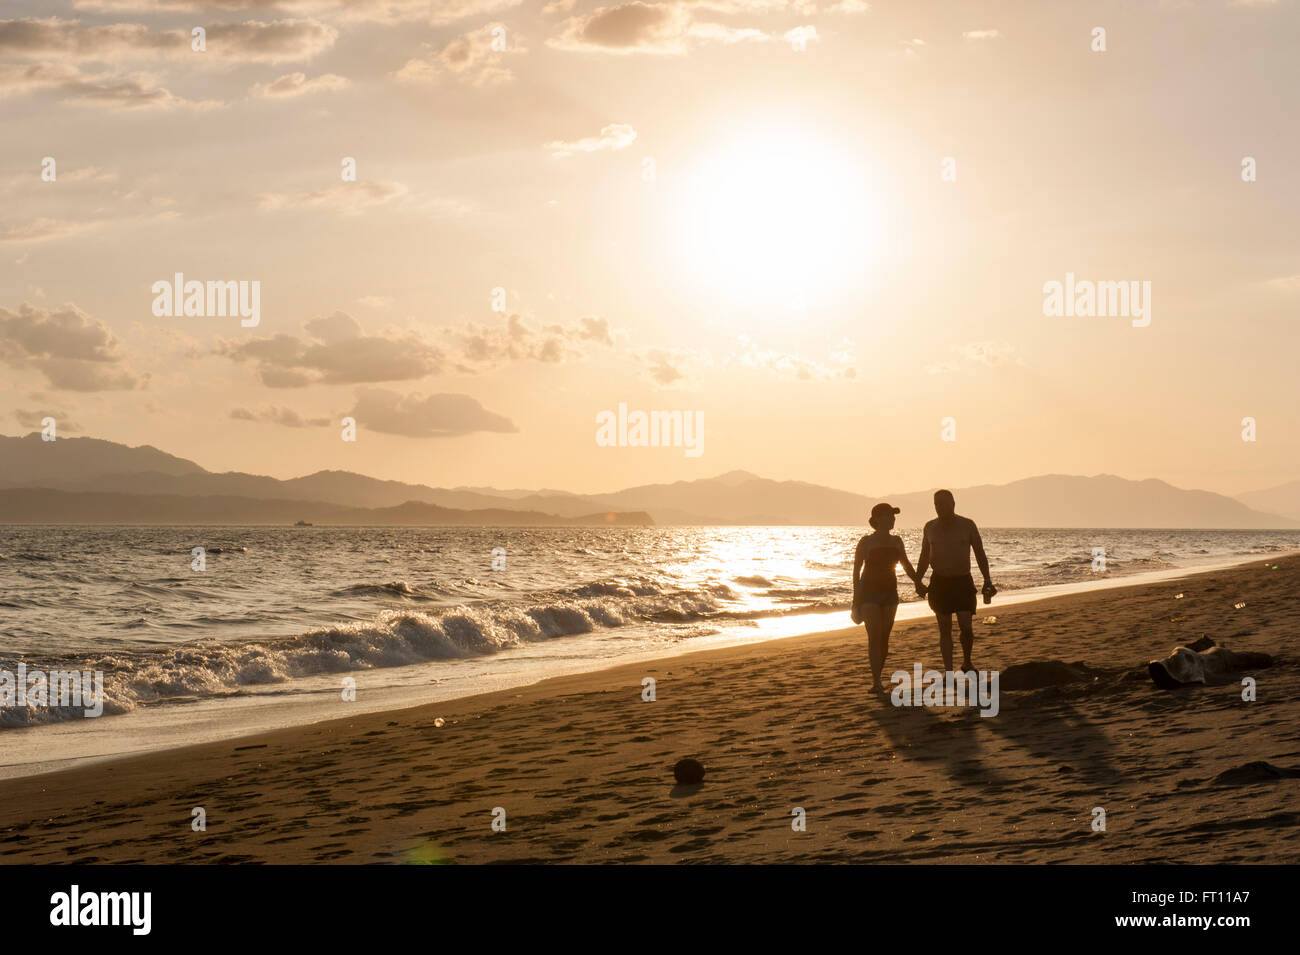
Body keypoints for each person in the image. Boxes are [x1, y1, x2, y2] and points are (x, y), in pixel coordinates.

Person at [915, 489, 996, 673]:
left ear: (952, 503)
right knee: (944, 629)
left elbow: (980, 553)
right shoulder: (930, 527)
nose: (939, 507)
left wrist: (987, 580)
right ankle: (949, 671)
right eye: (936, 503)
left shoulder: (967, 525)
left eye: (942, 503)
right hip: (939, 582)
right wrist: (918, 580)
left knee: (966, 627)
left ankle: (967, 662)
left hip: (962, 581)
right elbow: (924, 557)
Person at [852, 502, 923, 694]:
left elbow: (906, 565)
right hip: (869, 594)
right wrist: (855, 602)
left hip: (890, 594)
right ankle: (876, 681)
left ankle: (878, 676)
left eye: (893, 516)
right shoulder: (866, 542)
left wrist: (918, 583)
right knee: (874, 637)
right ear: (877, 519)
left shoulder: (897, 541)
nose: (893, 519)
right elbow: (856, 571)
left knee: (884, 638)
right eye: (889, 515)